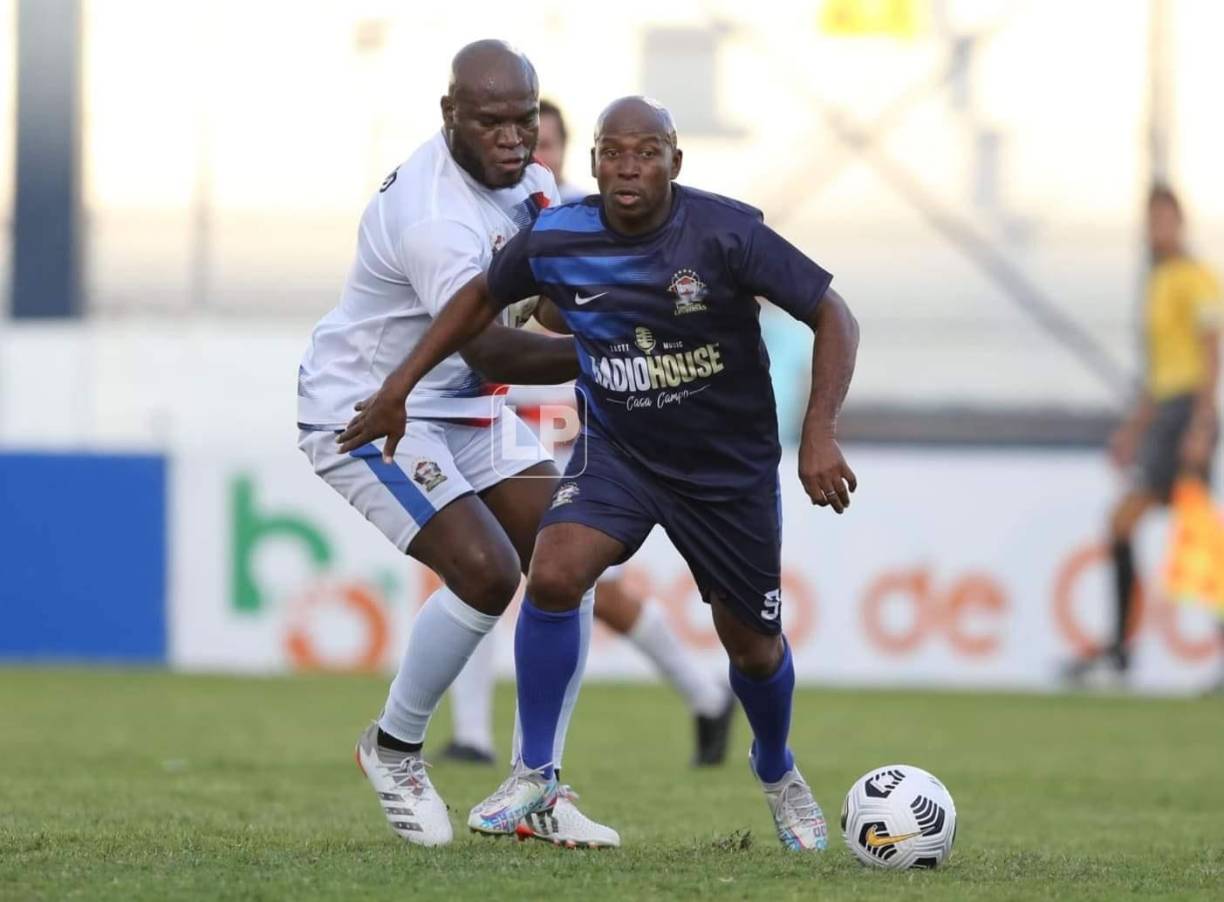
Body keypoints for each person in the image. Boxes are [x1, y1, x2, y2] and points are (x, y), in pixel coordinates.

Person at [340, 96, 860, 851]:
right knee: (554, 574)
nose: (628, 168)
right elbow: (473, 304)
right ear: (593, 163)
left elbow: (833, 313)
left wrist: (819, 433)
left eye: (646, 153)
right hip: (619, 449)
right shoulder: (559, 236)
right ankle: (537, 773)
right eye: (613, 152)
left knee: (751, 648)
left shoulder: (725, 232)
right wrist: (398, 388)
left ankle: (777, 768)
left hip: (725, 468)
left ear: (674, 163)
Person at [299, 39, 616, 848]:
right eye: (492, 123)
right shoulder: (437, 218)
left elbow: (542, 306)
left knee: (570, 557)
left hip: (462, 408)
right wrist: (614, 351)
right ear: (450, 117)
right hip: (374, 409)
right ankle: (395, 747)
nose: (514, 139)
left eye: (523, 121)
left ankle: (536, 784)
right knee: (486, 573)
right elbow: (493, 350)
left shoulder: (531, 183)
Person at [1068, 184, 1222, 686]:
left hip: (1186, 416)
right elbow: (1159, 370)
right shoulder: (1156, 282)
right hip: (1164, 417)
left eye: (1164, 219)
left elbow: (1209, 350)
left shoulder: (1194, 277)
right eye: (1151, 220)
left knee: (1160, 530)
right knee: (1170, 533)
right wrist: (1134, 429)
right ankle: (1119, 650)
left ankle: (1119, 650)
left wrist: (1201, 424)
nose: (1157, 229)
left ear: (1179, 223)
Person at [535, 99, 588, 202]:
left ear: (563, 145)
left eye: (544, 146)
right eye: (527, 147)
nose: (534, 156)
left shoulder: (590, 211)